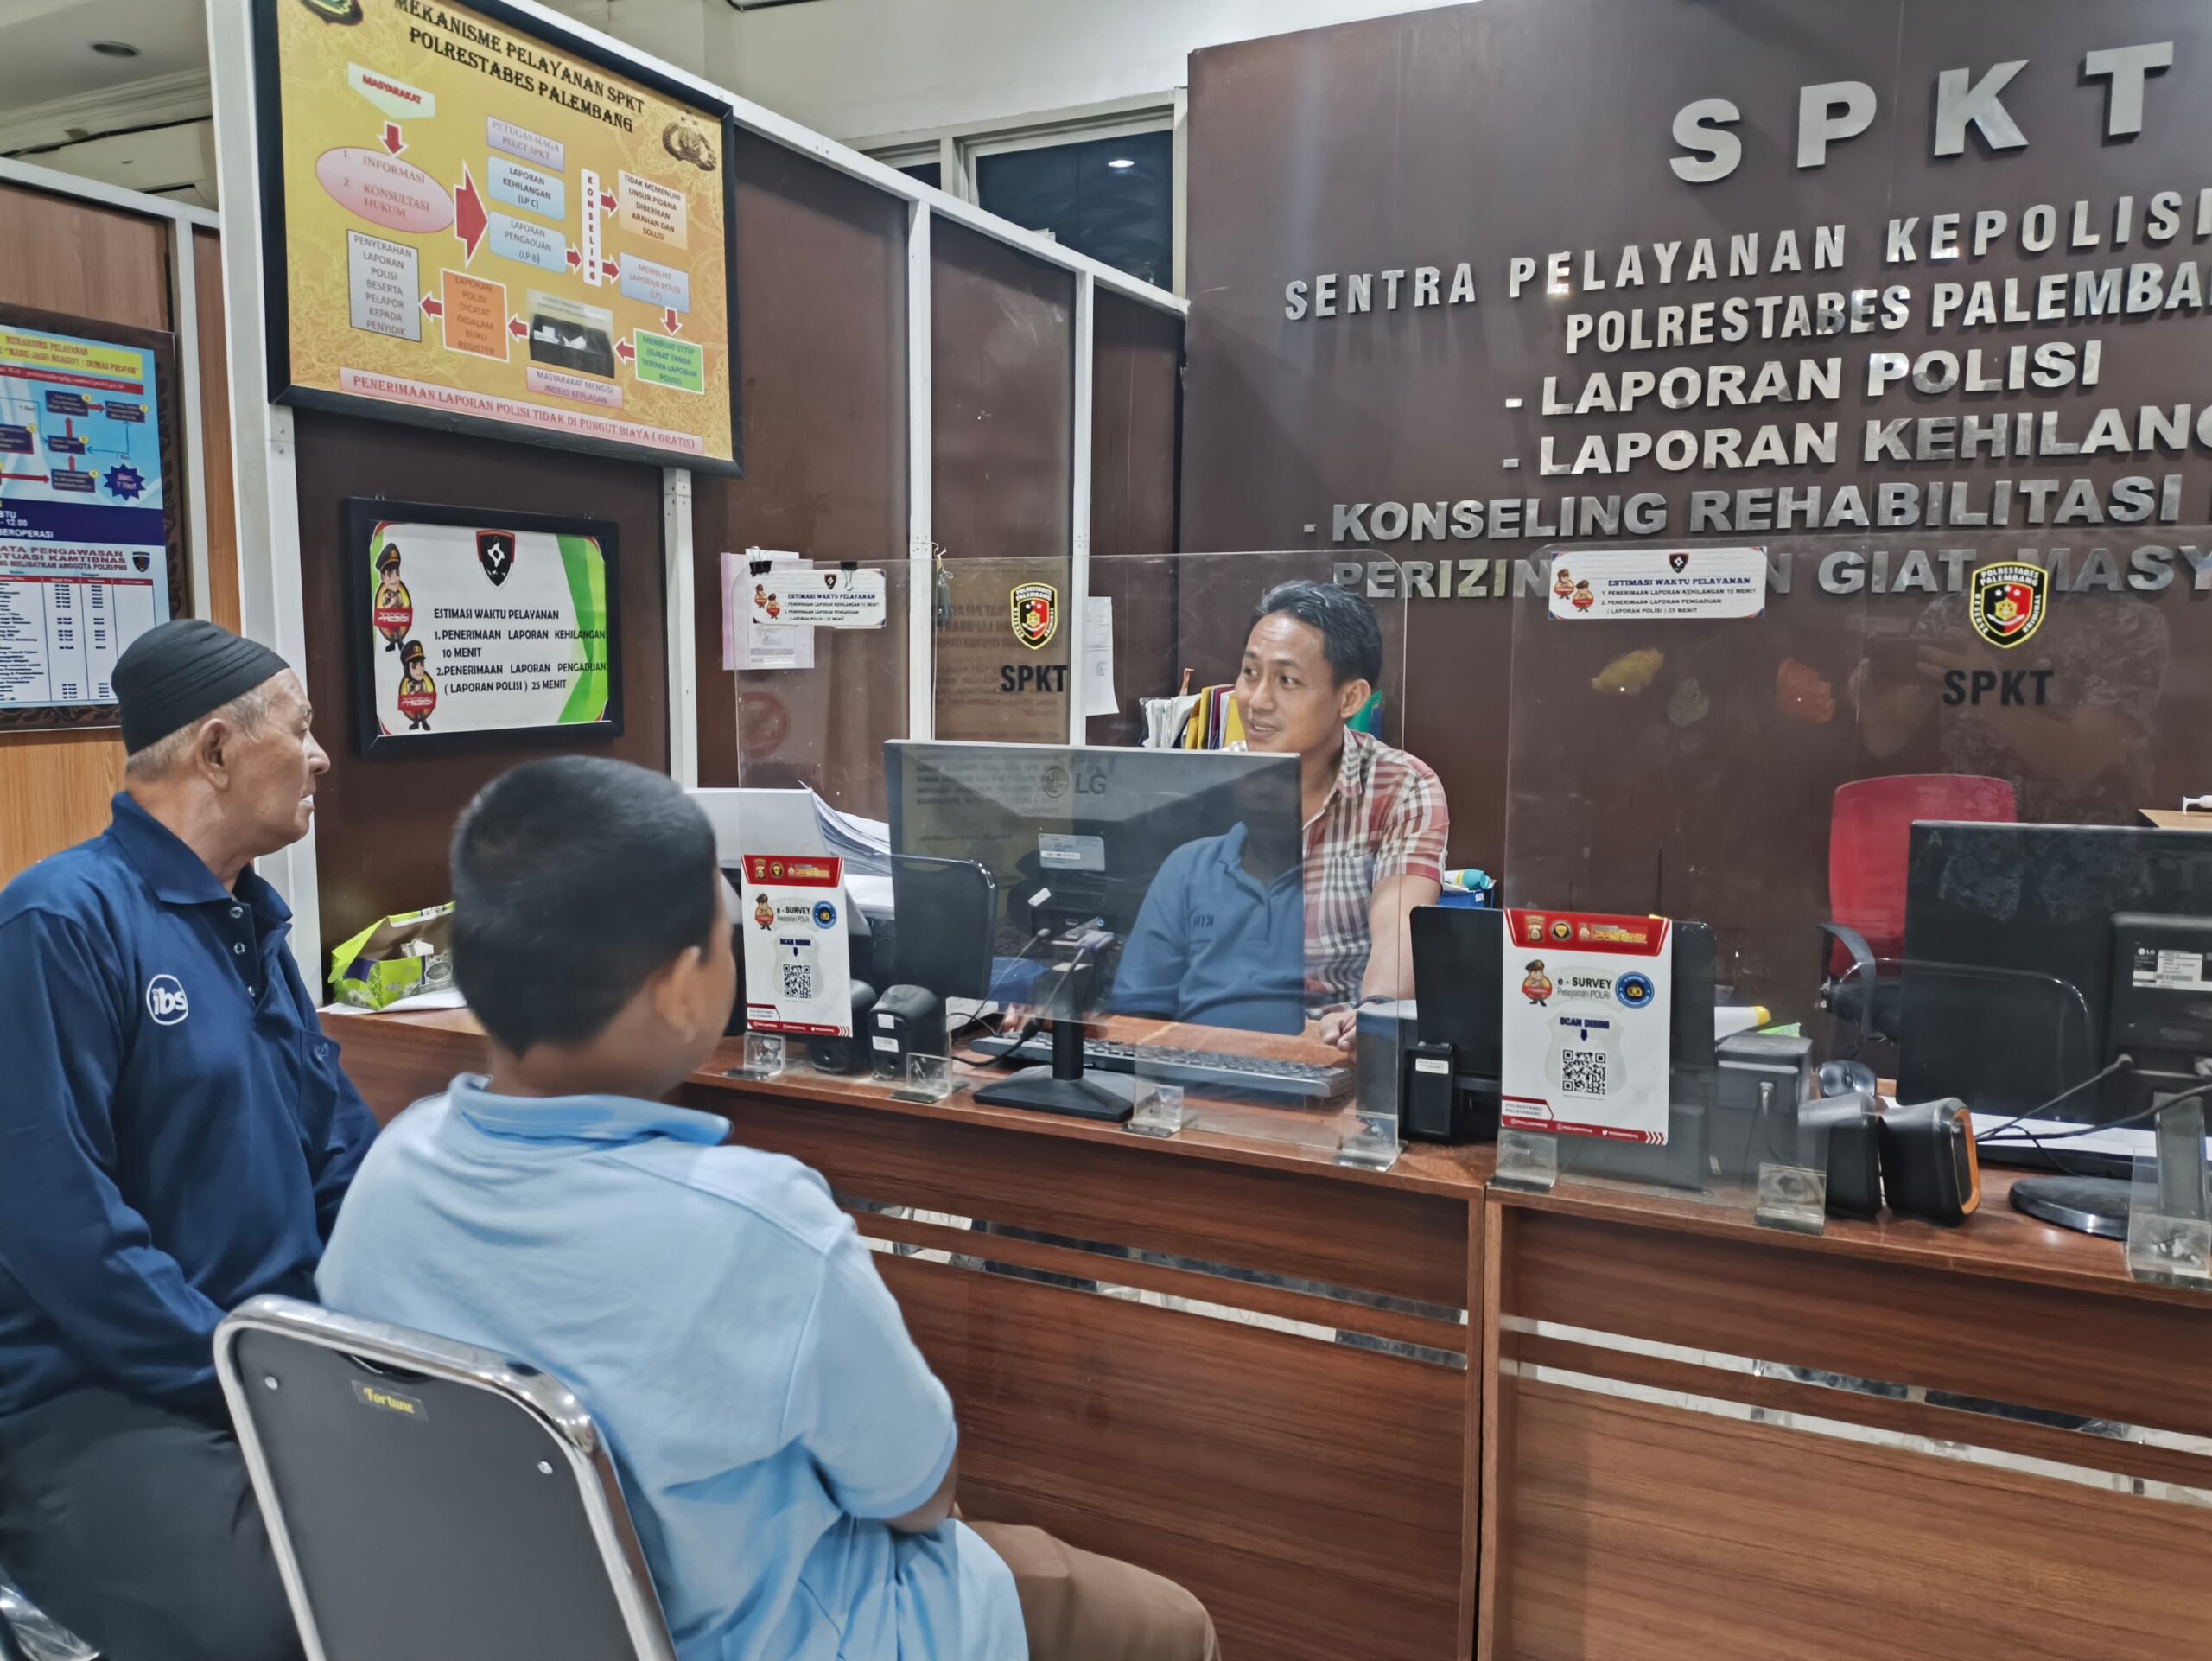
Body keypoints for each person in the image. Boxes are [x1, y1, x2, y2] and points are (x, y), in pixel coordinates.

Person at [317, 756, 1218, 1661]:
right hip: (776, 1635)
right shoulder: (761, 1224)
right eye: (728, 928)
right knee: (1166, 1623)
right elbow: (917, 1492)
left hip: (489, 1626)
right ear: (680, 989)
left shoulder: (391, 1171)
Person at [0, 619, 377, 1661]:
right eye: (299, 731)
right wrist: (239, 1370)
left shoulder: (247, 919)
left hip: (277, 1359)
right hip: (95, 1393)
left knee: (455, 1544)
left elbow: (340, 1152)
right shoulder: (59, 923)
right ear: (215, 749)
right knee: (271, 1621)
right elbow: (62, 1225)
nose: (319, 756)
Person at [1129, 581, 1448, 1046]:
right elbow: (1148, 977)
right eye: (1249, 673)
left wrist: (1374, 1015)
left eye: (1286, 681)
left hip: (1328, 1048)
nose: (1257, 701)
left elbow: (1399, 928)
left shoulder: (1402, 787)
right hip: (1199, 1047)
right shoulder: (1211, 785)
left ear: (1350, 699)